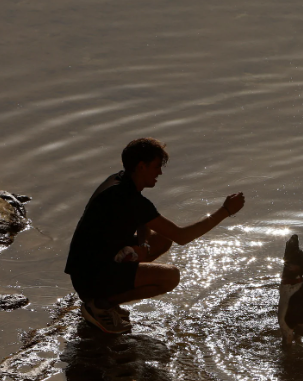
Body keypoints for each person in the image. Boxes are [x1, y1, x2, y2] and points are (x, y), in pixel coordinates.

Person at [64, 138, 245, 333]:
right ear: (141, 166)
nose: (159, 173)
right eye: (157, 167)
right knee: (170, 277)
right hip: (90, 278)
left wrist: (144, 246)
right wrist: (225, 211)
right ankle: (101, 304)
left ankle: (105, 296)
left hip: (88, 267)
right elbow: (182, 236)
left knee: (162, 239)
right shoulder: (131, 200)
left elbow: (143, 222)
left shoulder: (119, 182)